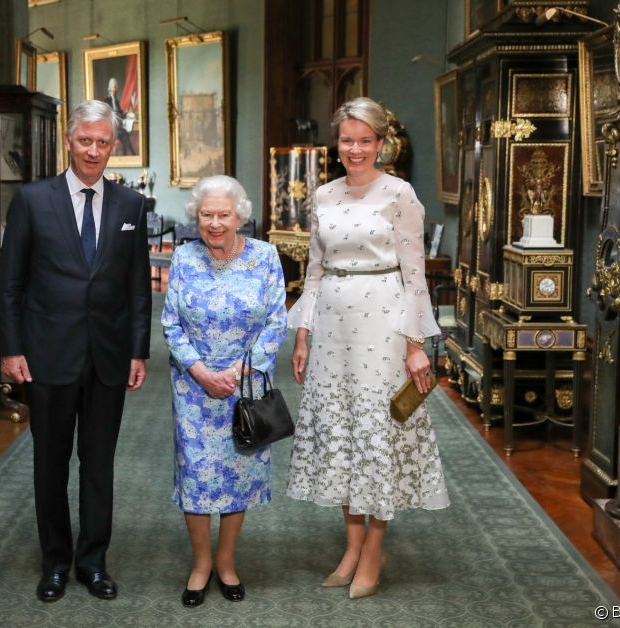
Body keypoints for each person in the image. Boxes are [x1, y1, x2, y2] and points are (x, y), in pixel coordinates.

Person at [286, 97, 449, 600]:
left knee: (377, 433)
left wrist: (415, 345)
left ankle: (373, 552)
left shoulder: (400, 193)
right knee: (342, 432)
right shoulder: (323, 195)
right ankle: (351, 548)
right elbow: (313, 271)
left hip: (384, 322)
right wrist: (303, 334)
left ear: (381, 144)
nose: (354, 149)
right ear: (336, 144)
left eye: (364, 140)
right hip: (332, 324)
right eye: (346, 140)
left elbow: (416, 276)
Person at [0, 100, 151, 604]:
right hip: (47, 355)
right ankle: (56, 563)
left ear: (114, 146)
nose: (93, 150)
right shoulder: (32, 200)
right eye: (85, 140)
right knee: (51, 463)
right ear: (69, 141)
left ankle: (93, 562)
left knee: (99, 464)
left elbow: (137, 289)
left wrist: (137, 351)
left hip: (108, 357)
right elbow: (12, 283)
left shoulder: (130, 206)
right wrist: (11, 347)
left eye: (102, 142)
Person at [161, 175, 287, 607]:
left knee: (239, 470)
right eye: (206, 214)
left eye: (223, 215)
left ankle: (227, 563)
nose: (215, 223)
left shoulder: (266, 257)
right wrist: (199, 372)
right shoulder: (183, 258)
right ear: (197, 216)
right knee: (195, 473)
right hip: (192, 385)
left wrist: (237, 372)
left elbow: (275, 320)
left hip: (244, 385)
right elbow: (170, 322)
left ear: (240, 217)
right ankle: (200, 565)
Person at [105, 77, 136, 156]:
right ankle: (132, 154)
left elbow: (121, 112)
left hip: (117, 126)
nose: (114, 89)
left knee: (125, 135)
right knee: (124, 134)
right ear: (109, 88)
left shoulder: (116, 101)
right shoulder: (106, 101)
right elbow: (106, 114)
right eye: (112, 87)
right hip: (110, 128)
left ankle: (126, 155)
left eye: (115, 87)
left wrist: (127, 115)